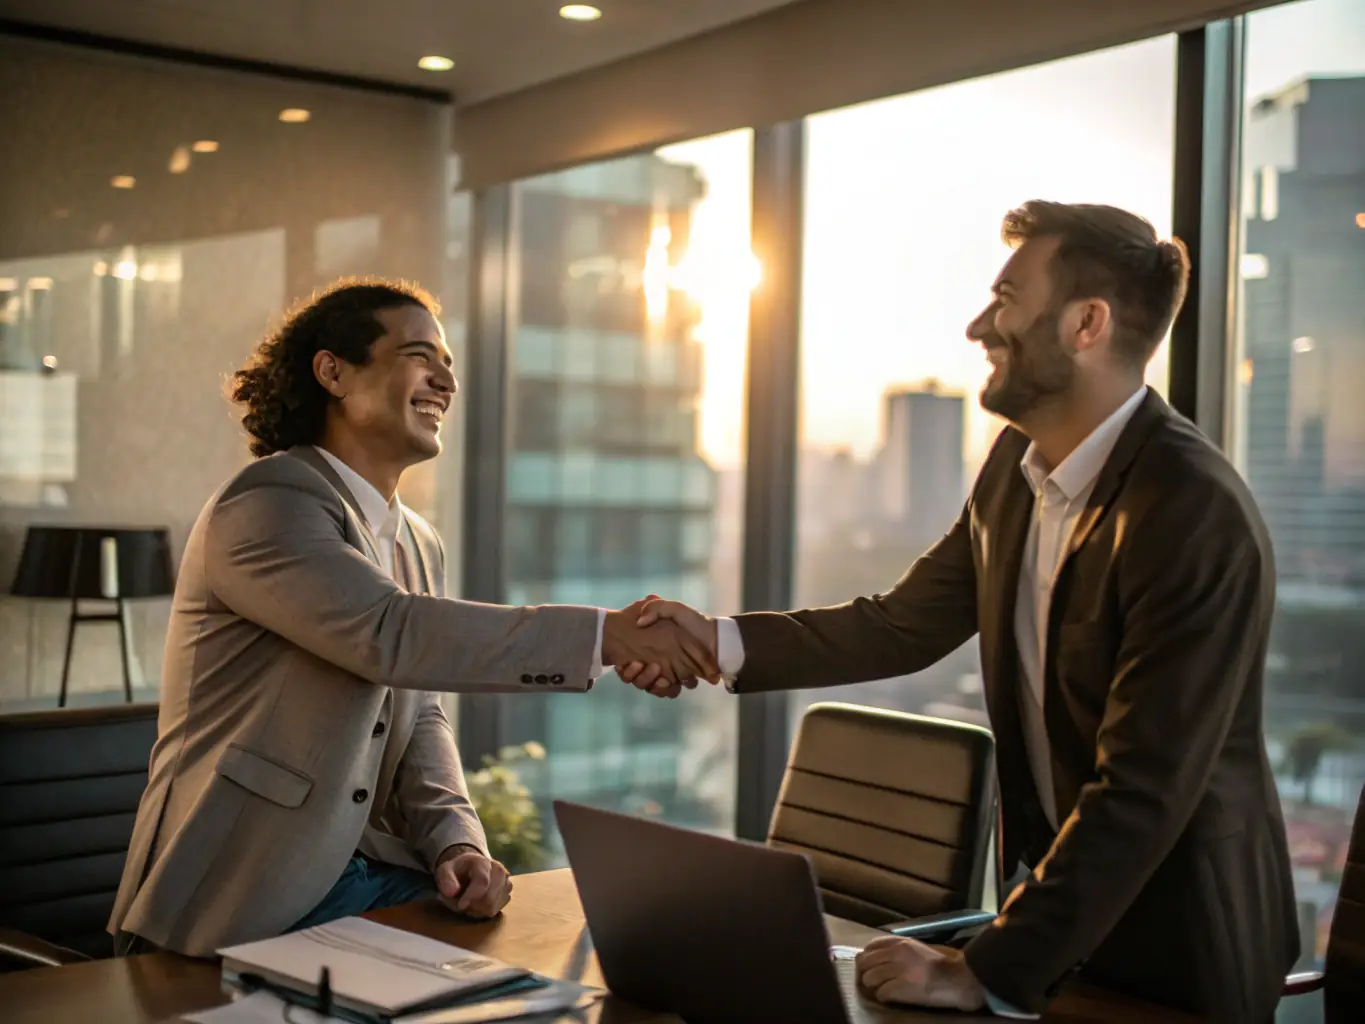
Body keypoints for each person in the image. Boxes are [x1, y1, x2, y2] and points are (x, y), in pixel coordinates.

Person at [626, 202, 1299, 1021]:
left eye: (1007, 298)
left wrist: (982, 971)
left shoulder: (1189, 512)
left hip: (1176, 950)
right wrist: (720, 642)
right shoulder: (1016, 463)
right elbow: (901, 623)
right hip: (1057, 933)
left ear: (1087, 324)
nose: (981, 325)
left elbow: (1141, 790)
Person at [109, 278, 713, 958]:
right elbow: (389, 634)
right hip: (240, 896)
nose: (445, 381)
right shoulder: (267, 502)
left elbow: (419, 713)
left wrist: (456, 841)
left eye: (448, 363)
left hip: (367, 880)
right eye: (420, 355)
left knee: (556, 974)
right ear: (333, 371)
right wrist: (609, 635)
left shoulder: (417, 541)